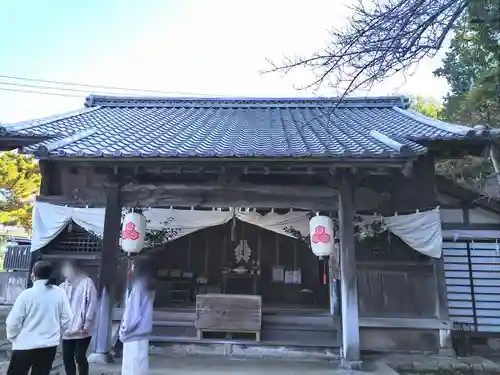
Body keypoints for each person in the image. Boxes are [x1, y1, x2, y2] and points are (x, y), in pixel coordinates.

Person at [5, 260, 72, 375]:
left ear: (33, 275)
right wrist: (56, 332)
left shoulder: (26, 295)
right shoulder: (60, 293)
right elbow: (68, 318)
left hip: (24, 345)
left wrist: (12, 336)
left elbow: (13, 322)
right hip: (48, 345)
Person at [60, 260, 98, 375]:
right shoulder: (62, 286)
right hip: (67, 329)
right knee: (67, 357)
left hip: (82, 328)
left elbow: (92, 303)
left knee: (79, 356)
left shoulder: (87, 282)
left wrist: (87, 322)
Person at [119, 258, 156, 375]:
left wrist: (124, 329)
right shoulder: (149, 285)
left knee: (131, 368)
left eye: (133, 266)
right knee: (141, 367)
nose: (131, 269)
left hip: (133, 334)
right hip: (143, 333)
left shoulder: (138, 286)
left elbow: (133, 314)